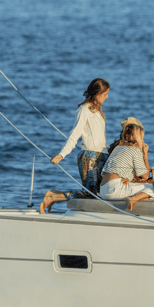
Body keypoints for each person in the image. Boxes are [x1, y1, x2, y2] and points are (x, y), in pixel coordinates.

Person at [39, 78, 110, 214]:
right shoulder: (84, 110)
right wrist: (62, 154)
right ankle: (52, 197)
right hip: (90, 157)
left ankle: (54, 195)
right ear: (97, 93)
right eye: (105, 93)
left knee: (100, 194)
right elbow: (75, 134)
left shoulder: (98, 111)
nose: (107, 96)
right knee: (90, 195)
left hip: (102, 157)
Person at [99, 122, 154, 211]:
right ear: (137, 137)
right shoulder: (135, 151)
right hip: (114, 190)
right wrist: (145, 154)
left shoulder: (118, 147)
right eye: (141, 137)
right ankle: (133, 199)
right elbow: (145, 176)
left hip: (103, 189)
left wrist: (128, 179)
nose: (143, 140)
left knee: (143, 187)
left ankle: (138, 198)